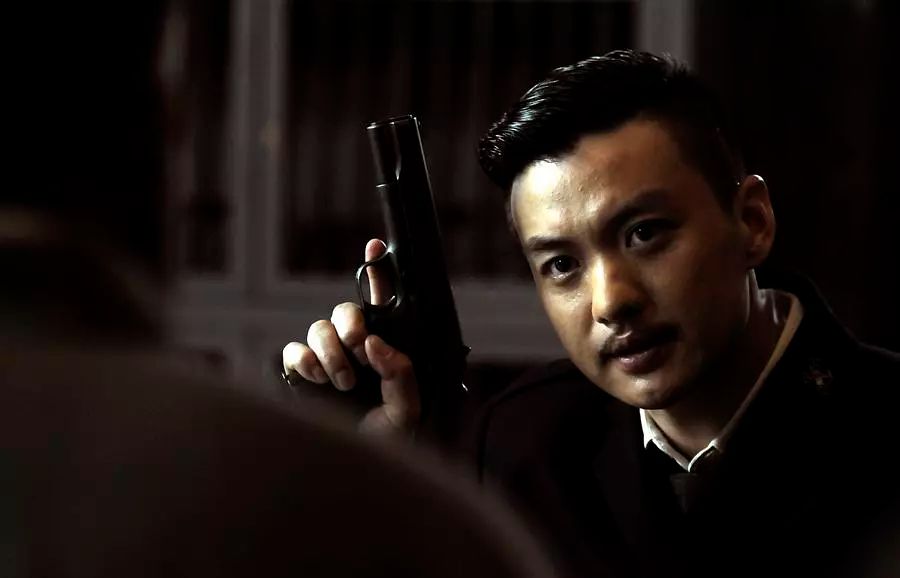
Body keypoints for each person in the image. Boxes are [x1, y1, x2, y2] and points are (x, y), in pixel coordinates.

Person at [282, 50, 900, 578]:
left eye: (645, 234)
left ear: (752, 222)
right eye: (561, 265)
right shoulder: (517, 446)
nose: (611, 302)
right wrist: (375, 476)